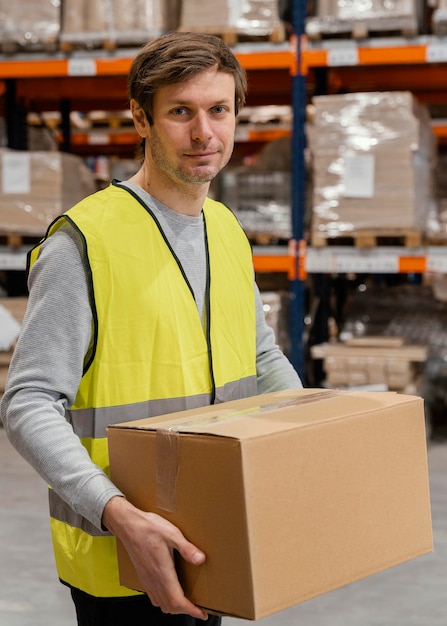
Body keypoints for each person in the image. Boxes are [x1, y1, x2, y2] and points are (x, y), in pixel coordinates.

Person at [0, 31, 303, 626]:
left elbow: (262, 357)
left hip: (214, 534)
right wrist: (119, 513)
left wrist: (303, 441)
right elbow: (29, 402)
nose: (204, 134)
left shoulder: (226, 228)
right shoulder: (84, 241)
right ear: (140, 117)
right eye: (180, 113)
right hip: (124, 555)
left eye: (218, 110)